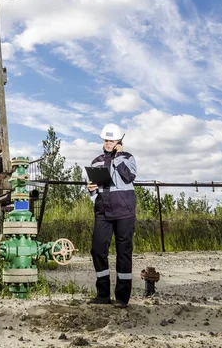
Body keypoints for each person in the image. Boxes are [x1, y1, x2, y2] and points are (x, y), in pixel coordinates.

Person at [87, 123, 137, 308]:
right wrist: (90, 189)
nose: (108, 143)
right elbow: (94, 190)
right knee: (98, 250)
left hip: (125, 212)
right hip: (103, 212)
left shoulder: (128, 158)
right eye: (106, 140)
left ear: (119, 142)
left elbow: (129, 176)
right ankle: (102, 294)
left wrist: (118, 156)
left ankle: (122, 298)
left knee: (123, 253)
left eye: (112, 140)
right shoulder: (96, 161)